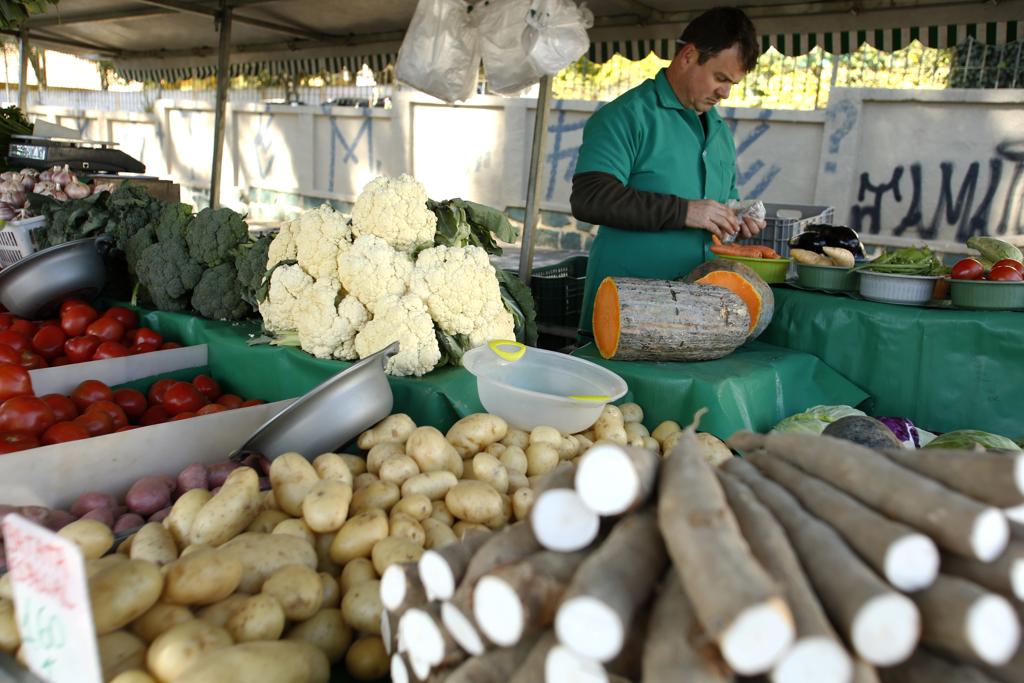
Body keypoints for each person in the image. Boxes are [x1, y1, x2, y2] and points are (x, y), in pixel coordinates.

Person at [571, 7, 766, 338]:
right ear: (689, 55)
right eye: (720, 78)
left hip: (697, 317)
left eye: (732, 83)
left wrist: (733, 218)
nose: (726, 93)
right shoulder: (626, 116)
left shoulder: (719, 132)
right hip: (625, 313)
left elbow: (720, 203)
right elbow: (590, 199)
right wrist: (685, 211)